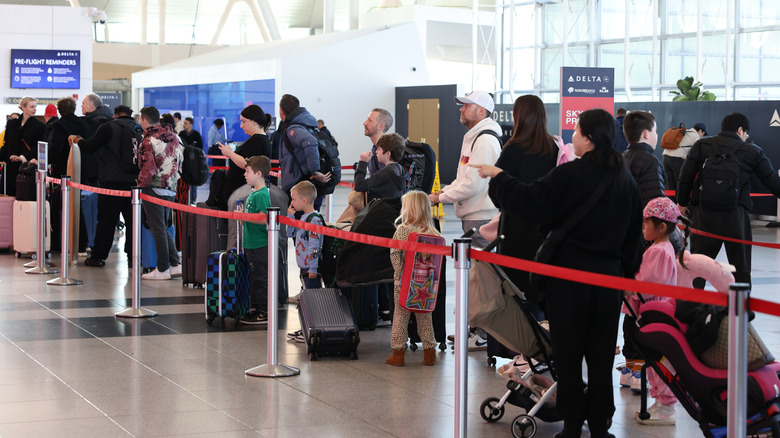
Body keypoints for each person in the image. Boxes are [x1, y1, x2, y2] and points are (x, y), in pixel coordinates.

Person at [471, 108, 643, 438]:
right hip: (607, 281)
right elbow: (633, 239)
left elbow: (531, 199)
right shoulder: (626, 179)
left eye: (577, 131)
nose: (573, 137)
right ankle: (600, 426)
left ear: (590, 138)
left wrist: (499, 176)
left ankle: (573, 426)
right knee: (601, 356)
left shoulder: (573, 175)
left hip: (569, 280)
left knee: (568, 355)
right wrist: (623, 276)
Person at [677, 112, 780, 287]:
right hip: (736, 218)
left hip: (704, 216)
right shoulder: (752, 150)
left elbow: (685, 177)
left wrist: (682, 204)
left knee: (697, 268)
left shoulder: (702, 145)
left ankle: (692, 310)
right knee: (740, 270)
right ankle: (737, 312)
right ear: (741, 130)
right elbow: (772, 181)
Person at [622, 197, 690, 426]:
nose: (642, 227)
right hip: (656, 311)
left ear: (661, 226)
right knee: (654, 362)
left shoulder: (658, 251)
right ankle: (662, 403)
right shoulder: (663, 248)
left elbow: (647, 283)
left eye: (645, 223)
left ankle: (666, 406)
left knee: (658, 362)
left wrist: (627, 285)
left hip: (654, 313)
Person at [488, 94, 558, 306]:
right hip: (546, 228)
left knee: (516, 290)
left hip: (516, 228)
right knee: (541, 289)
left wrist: (506, 204)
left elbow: (495, 188)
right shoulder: (554, 147)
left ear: (518, 117)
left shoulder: (513, 149)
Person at [429, 91, 501, 249]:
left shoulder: (485, 141)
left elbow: (471, 186)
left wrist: (439, 198)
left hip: (481, 220)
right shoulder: (475, 138)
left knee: (482, 271)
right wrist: (442, 192)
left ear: (481, 110)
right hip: (473, 217)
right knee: (476, 270)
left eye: (467, 105)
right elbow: (463, 178)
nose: (461, 109)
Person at [72, 105, 139, 267]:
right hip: (135, 183)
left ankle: (98, 257)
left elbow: (90, 146)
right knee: (132, 222)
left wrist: (78, 140)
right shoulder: (138, 128)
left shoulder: (108, 127)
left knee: (106, 221)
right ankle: (134, 258)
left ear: (115, 115)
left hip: (112, 181)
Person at [385, 190, 441, 367]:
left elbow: (395, 254)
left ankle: (398, 353)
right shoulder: (433, 232)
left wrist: (401, 274)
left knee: (400, 316)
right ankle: (429, 352)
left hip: (403, 283)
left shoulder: (403, 230)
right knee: (425, 317)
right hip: (426, 285)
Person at [136, 106, 183, 280]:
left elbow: (148, 169)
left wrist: (139, 185)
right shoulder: (174, 137)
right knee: (163, 227)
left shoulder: (148, 140)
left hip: (153, 188)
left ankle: (162, 269)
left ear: (144, 120)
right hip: (171, 187)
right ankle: (174, 264)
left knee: (157, 228)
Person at [218, 104, 272, 250]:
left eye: (244, 121)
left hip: (242, 192)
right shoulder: (257, 139)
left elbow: (248, 164)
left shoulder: (259, 140)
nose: (241, 126)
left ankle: (236, 260)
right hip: (239, 190)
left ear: (254, 121)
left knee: (238, 231)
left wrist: (230, 153)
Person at [275, 94, 330, 210]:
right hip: (307, 184)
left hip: (299, 185)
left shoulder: (294, 128)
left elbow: (310, 142)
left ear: (281, 111)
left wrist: (314, 171)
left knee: (300, 224)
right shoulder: (308, 125)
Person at [337, 132, 407, 223]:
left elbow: (360, 186)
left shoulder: (386, 173)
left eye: (379, 149)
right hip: (392, 216)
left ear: (388, 154)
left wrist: (363, 163)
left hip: (380, 218)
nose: (376, 152)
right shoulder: (400, 169)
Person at [237, 155, 272, 325]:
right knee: (255, 278)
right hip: (251, 243)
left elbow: (263, 217)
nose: (245, 174)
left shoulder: (262, 194)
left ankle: (264, 311)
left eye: (247, 171)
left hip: (260, 244)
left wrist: (244, 216)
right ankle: (257, 308)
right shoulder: (254, 193)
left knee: (261, 279)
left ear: (258, 174)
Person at [284, 181, 324, 327]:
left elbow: (315, 246)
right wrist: (290, 216)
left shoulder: (314, 220)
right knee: (307, 298)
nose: (292, 202)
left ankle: (314, 327)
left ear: (304, 200)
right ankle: (308, 329)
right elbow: (290, 233)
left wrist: (313, 268)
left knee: (312, 300)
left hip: (310, 268)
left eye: (294, 199)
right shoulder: (303, 217)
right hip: (304, 266)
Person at [0, 96, 45, 197]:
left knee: (24, 197)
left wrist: (22, 158)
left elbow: (38, 147)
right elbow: (6, 144)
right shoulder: (12, 123)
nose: (35, 109)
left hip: (27, 168)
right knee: (9, 196)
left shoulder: (40, 126)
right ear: (23, 107)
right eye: (31, 106)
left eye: (35, 106)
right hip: (10, 167)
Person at [622, 111, 665, 207]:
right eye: (655, 131)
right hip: (641, 220)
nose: (657, 135)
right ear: (646, 134)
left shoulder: (620, 159)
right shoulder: (651, 162)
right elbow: (655, 206)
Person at [662, 122, 706, 200]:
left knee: (670, 185)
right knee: (680, 184)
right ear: (700, 131)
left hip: (666, 158)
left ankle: (670, 205)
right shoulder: (695, 136)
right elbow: (701, 153)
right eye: (703, 134)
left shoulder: (685, 132)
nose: (702, 136)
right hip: (677, 159)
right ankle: (680, 207)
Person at [80, 94, 112, 187]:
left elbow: (92, 144)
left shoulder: (95, 122)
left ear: (91, 105)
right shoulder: (107, 119)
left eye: (83, 103)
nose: (81, 106)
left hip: (94, 169)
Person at [362, 108, 394, 175]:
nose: (364, 123)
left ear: (381, 126)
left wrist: (362, 164)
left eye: (370, 120)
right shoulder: (376, 148)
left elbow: (384, 182)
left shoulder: (384, 151)